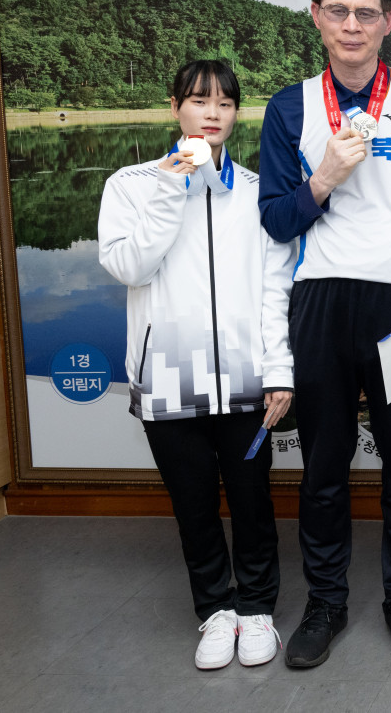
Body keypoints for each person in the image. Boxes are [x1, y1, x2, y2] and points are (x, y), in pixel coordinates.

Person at [258, 0, 391, 667]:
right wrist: (323, 178)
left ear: (388, 22)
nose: (352, 25)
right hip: (319, 305)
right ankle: (325, 603)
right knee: (323, 463)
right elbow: (278, 222)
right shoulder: (289, 108)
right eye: (337, 10)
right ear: (315, 15)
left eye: (366, 12)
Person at [98, 60, 293, 670]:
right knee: (192, 502)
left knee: (252, 497)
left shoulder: (258, 189)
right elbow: (131, 268)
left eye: (226, 103)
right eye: (199, 100)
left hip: (245, 376)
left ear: (237, 113)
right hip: (167, 375)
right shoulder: (131, 184)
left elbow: (274, 288)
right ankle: (215, 610)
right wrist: (173, 190)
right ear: (174, 105)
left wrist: (280, 370)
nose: (213, 113)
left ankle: (258, 608)